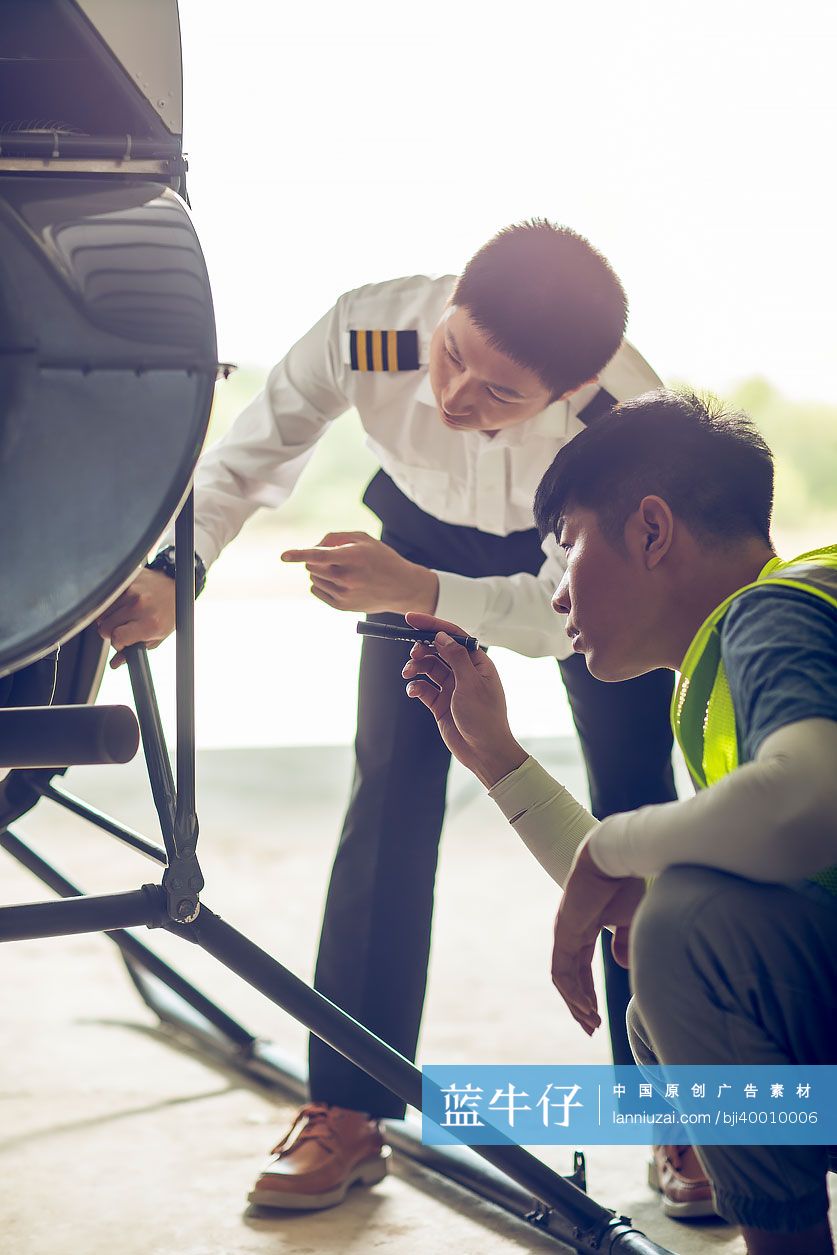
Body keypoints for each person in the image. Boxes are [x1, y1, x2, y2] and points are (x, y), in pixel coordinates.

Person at [96, 221, 677, 1210]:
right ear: (449, 304)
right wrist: (175, 571)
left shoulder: (627, 415)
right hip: (413, 537)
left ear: (570, 393)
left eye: (499, 394)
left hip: (580, 571)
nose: (454, 396)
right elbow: (253, 446)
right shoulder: (372, 328)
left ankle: (679, 1115)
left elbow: (557, 617)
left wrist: (424, 587)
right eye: (455, 356)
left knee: (632, 816)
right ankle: (349, 1110)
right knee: (388, 806)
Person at [401, 389, 837, 1255]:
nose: (557, 594)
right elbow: (640, 886)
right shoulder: (731, 662)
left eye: (566, 548)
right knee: (659, 989)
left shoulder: (772, 616)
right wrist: (496, 759)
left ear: (650, 530)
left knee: (683, 937)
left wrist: (613, 842)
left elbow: (808, 801)